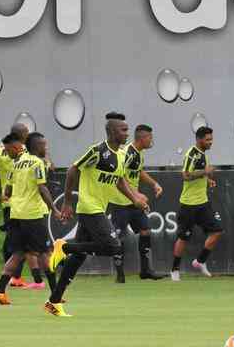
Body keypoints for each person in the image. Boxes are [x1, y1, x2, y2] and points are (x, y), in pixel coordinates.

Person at [45, 112, 149, 317]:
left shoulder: (121, 155)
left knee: (79, 256)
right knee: (113, 246)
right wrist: (67, 201)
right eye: (123, 130)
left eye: (127, 129)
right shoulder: (97, 151)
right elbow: (73, 170)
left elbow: (119, 181)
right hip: (89, 206)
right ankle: (64, 246)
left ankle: (54, 301)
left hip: (99, 207)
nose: (126, 133)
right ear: (111, 131)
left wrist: (135, 198)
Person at [0, 133, 61, 305]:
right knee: (45, 253)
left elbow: (7, 191)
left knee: (18, 253)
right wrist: (55, 210)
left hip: (16, 214)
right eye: (44, 145)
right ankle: (56, 295)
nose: (46, 148)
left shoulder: (16, 163)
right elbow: (42, 188)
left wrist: (8, 198)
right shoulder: (37, 163)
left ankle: (0, 291)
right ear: (36, 147)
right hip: (33, 215)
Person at [108, 124, 164, 282]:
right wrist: (136, 194)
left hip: (134, 202)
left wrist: (154, 184)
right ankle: (120, 274)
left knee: (145, 231)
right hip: (120, 201)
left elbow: (138, 171)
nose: (151, 141)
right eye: (150, 138)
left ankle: (146, 271)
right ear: (142, 138)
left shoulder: (139, 153)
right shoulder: (127, 153)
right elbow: (119, 176)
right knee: (119, 237)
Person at [170, 126, 223, 281]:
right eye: (208, 139)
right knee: (183, 238)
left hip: (203, 203)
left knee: (217, 231)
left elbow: (199, 174)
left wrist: (208, 180)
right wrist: (204, 172)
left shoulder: (203, 155)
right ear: (199, 140)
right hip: (188, 204)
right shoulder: (192, 154)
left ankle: (200, 261)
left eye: (211, 139)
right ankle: (174, 270)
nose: (211, 142)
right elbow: (185, 175)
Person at [0, 123, 30, 288]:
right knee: (16, 241)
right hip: (20, 201)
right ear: (22, 136)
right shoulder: (21, 152)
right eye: (27, 134)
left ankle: (13, 275)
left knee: (13, 238)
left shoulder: (0, 150)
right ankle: (13, 276)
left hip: (8, 202)